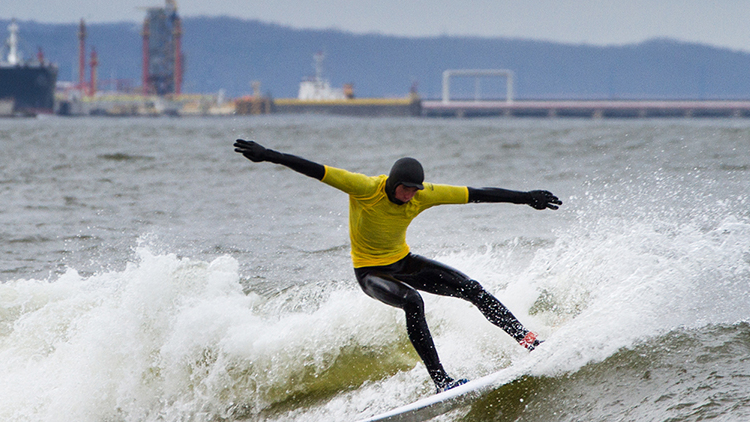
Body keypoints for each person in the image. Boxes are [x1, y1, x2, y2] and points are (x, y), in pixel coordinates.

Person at [233, 139, 561, 392]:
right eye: (405, 189)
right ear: (392, 182)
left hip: (403, 262)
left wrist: (525, 197)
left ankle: (528, 341)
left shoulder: (422, 195)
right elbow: (316, 169)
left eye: (414, 191)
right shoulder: (364, 188)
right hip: (370, 273)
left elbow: (476, 194)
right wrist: (269, 155)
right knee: (412, 301)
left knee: (471, 288)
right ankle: (441, 381)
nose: (409, 196)